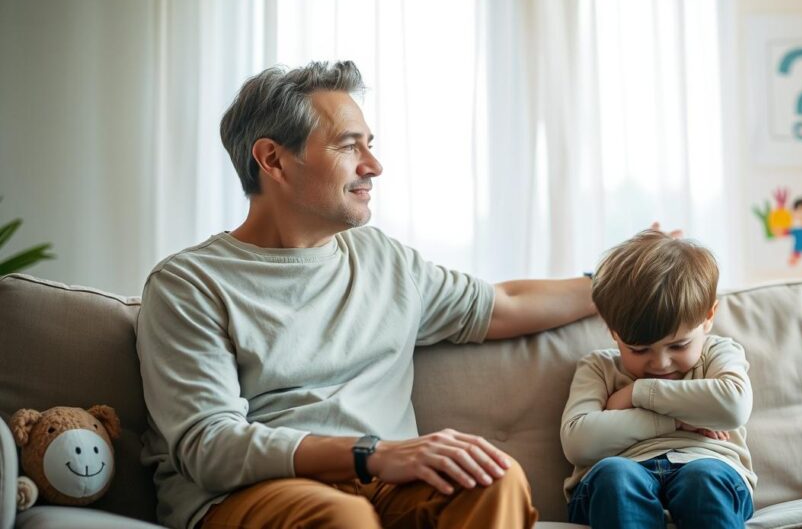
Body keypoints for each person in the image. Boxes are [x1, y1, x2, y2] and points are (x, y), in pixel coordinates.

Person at [135, 60, 601, 529]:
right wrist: (371, 454)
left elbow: (505, 305)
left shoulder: (384, 260)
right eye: (348, 145)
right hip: (255, 494)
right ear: (273, 160)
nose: (373, 166)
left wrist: (624, 280)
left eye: (370, 146)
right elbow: (209, 445)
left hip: (384, 486)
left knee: (493, 479)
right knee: (342, 517)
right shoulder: (188, 284)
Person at [560, 230, 755, 529]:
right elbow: (579, 442)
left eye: (678, 346)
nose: (660, 363)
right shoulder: (598, 367)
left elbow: (732, 406)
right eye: (639, 349)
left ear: (708, 316)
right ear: (613, 331)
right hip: (616, 478)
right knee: (616, 475)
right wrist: (675, 422)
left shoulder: (718, 351)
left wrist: (639, 393)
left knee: (703, 478)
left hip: (708, 467)